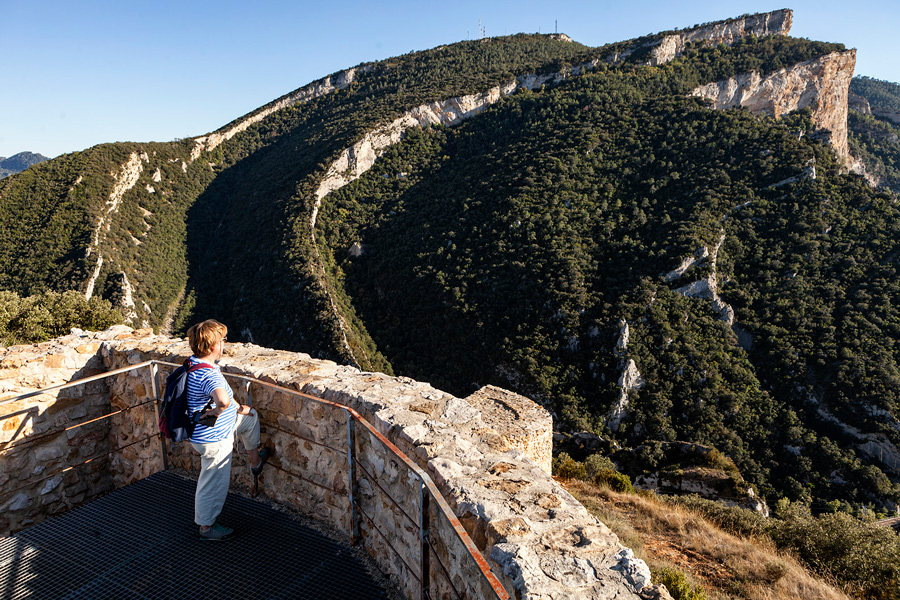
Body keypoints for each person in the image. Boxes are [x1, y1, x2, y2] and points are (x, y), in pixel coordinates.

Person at [185, 319, 270, 541]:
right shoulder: (209, 374)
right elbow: (222, 400)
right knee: (213, 482)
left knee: (250, 419)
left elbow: (225, 401)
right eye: (223, 340)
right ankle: (206, 527)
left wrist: (240, 408)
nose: (225, 343)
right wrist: (218, 411)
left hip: (211, 428)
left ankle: (255, 463)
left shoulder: (193, 364)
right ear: (214, 346)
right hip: (213, 438)